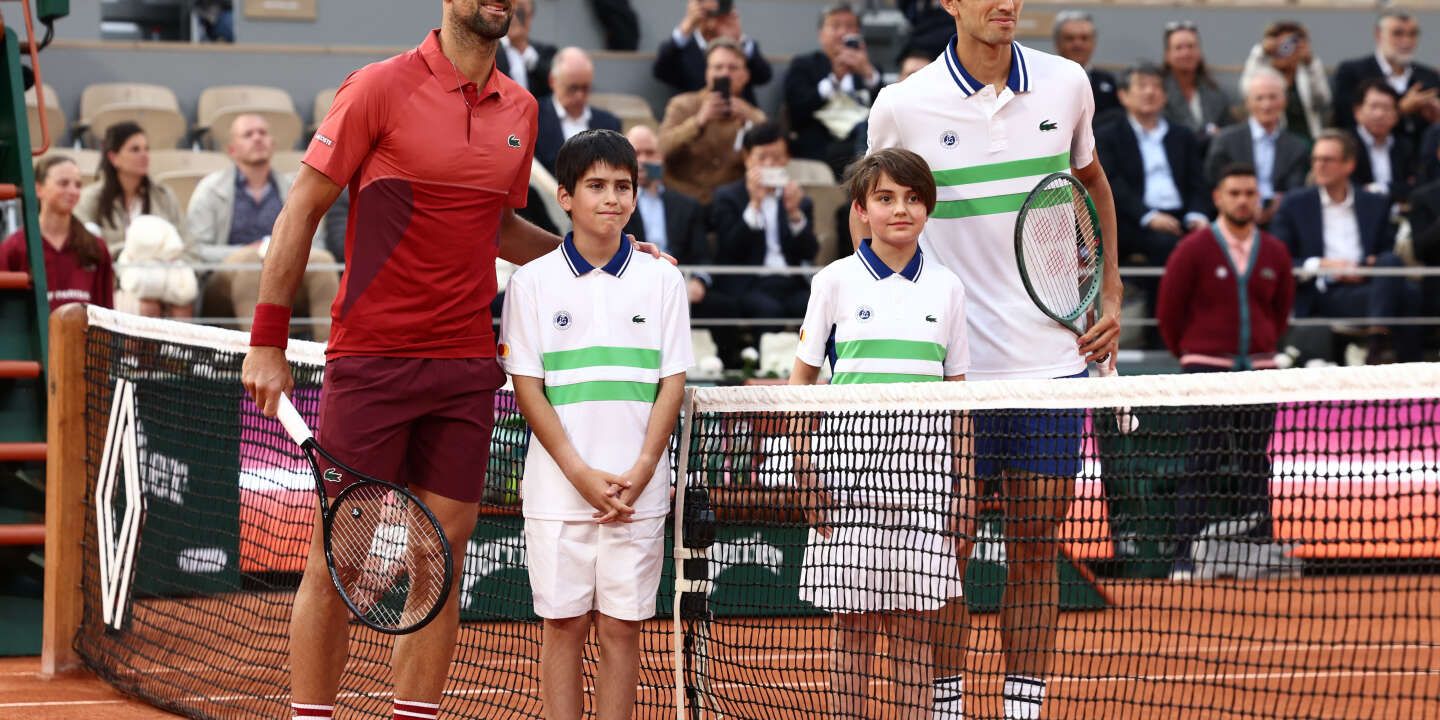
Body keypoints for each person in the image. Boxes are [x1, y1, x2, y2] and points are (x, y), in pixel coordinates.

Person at [238, 4, 576, 719]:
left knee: (439, 564)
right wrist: (266, 340)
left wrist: (595, 257)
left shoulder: (520, 106)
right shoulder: (376, 87)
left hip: (464, 369)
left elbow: (497, 225)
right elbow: (299, 210)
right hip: (373, 362)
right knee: (340, 562)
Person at [863, 1, 1122, 716]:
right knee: (947, 548)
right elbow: (870, 214)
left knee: (1037, 544)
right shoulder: (902, 105)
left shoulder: (1067, 84)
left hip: (1051, 364)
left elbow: (1091, 183)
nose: (1004, 3)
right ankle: (946, 704)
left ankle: (1023, 705)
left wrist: (1109, 292)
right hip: (950, 373)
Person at [499, 129, 690, 720]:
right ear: (564, 197)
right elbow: (527, 388)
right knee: (561, 625)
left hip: (640, 492)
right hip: (560, 493)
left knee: (622, 631)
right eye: (596, 186)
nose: (612, 199)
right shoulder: (530, 283)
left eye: (623, 187)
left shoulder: (663, 280)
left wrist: (640, 470)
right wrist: (580, 474)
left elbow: (672, 384)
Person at [792, 148, 972, 719]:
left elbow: (961, 402)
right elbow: (802, 384)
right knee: (853, 630)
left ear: (928, 209)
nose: (902, 209)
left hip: (925, 483)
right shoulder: (833, 282)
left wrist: (964, 489)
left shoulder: (949, 289)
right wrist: (804, 471)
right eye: (887, 198)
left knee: (918, 629)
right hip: (846, 479)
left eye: (914, 198)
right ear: (862, 210)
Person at [1155, 162, 1294, 581]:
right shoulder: (1192, 249)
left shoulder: (1274, 251)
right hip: (1206, 373)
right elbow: (1168, 313)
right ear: (1217, 197)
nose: (1243, 200)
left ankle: (1262, 550)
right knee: (1202, 463)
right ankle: (1184, 557)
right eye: (1234, 192)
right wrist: (1195, 356)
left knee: (1257, 464)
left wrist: (1263, 346)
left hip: (1260, 371)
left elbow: (1281, 309)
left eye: (1250, 193)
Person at [1270, 130, 1422, 364]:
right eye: (1315, 159)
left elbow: (1385, 249)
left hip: (1368, 282)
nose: (1319, 166)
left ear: (1349, 165)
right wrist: (1324, 265)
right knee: (1407, 295)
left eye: (1327, 160)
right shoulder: (1295, 204)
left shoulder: (1373, 203)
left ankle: (1376, 341)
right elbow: (1280, 258)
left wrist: (1365, 266)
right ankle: (1400, 362)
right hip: (1325, 290)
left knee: (1392, 266)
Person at [187, 113, 339, 340]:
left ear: (273, 144)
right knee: (248, 261)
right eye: (248, 134)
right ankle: (261, 355)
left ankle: (323, 360)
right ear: (232, 149)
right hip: (224, 286)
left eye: (263, 133)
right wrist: (252, 250)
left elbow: (315, 242)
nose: (257, 138)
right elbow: (196, 249)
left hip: (286, 278)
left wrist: (277, 253)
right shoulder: (210, 189)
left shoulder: (293, 187)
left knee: (323, 262)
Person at [623, 124, 739, 353]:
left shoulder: (687, 206)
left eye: (650, 153)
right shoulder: (618, 204)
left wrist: (698, 281)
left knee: (726, 306)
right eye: (637, 154)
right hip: (634, 286)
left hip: (680, 283)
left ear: (662, 159)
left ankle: (729, 370)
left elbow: (703, 256)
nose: (644, 160)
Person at [75, 121, 194, 318]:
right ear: (113, 157)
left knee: (183, 304)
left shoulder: (164, 196)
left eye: (146, 149)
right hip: (114, 282)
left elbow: (188, 244)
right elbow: (84, 245)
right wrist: (131, 254)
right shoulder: (90, 199)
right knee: (147, 307)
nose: (144, 155)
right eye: (135, 149)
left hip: (165, 279)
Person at [1096, 63, 1208, 270]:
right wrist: (1149, 216)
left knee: (1212, 240)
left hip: (1181, 216)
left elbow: (1197, 182)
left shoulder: (1182, 136)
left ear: (1165, 95)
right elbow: (1113, 184)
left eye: (1156, 86)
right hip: (1135, 219)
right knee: (1167, 245)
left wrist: (1197, 214)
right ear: (1123, 96)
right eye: (1141, 86)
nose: (1150, 92)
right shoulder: (1108, 136)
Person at [709, 122, 817, 324]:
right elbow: (729, 248)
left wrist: (794, 214)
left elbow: (809, 252)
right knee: (768, 311)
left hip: (789, 281)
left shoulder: (799, 199)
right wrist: (755, 204)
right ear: (747, 158)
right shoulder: (727, 196)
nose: (769, 164)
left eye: (776, 158)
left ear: (786, 159)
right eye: (762, 158)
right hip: (748, 281)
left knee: (814, 307)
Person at [658, 38, 767, 204]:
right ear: (707, 73)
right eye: (718, 67)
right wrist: (697, 122)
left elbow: (769, 162)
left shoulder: (755, 116)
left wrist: (750, 124)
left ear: (745, 76)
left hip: (730, 206)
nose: (725, 74)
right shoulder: (683, 105)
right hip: (685, 201)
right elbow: (661, 149)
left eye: (733, 68)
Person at [0, 155, 114, 311]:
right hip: (36, 335)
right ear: (38, 189)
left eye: (78, 185)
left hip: (82, 335)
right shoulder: (14, 247)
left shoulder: (96, 247)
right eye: (63, 183)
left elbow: (107, 312)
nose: (73, 191)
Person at [785, 3, 884, 176]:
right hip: (820, 146)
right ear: (821, 34)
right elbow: (797, 112)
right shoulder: (805, 65)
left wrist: (868, 73)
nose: (843, 32)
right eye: (835, 26)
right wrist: (834, 80)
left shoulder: (870, 68)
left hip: (865, 145)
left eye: (850, 26)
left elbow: (887, 107)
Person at [1205, 67, 1309, 227]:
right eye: (1259, 98)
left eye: (1273, 97)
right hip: (1233, 217)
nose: (1266, 105)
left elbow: (1295, 189)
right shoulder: (1226, 140)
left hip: (1280, 218)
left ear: (1284, 101)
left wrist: (1276, 205)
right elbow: (1213, 184)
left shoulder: (1297, 146)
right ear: (1247, 102)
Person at [1332, 8, 1440, 150]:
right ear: (1378, 35)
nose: (1406, 41)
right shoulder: (1353, 72)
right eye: (1397, 33)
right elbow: (1345, 121)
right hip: (1365, 159)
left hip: (1417, 163)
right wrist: (1400, 110)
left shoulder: (1429, 77)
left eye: (1413, 34)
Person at [654, 0, 773, 106]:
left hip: (740, 117)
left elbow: (763, 76)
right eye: (708, 12)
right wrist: (686, 27)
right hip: (695, 117)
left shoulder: (740, 45)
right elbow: (661, 71)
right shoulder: (682, 47)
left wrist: (738, 40)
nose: (715, 16)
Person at [535, 47, 622, 174]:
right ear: (552, 81)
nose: (579, 95)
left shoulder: (609, 124)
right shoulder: (534, 118)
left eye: (585, 88)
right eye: (573, 88)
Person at [1242, 20, 1330, 144]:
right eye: (1281, 46)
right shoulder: (1265, 76)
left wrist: (1310, 62)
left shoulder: (1307, 72)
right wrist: (1261, 51)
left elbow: (1322, 100)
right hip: (1275, 141)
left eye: (1290, 45)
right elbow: (1247, 90)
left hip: (1308, 138)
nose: (1285, 51)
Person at [1160, 21, 1233, 142]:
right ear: (1167, 55)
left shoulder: (1216, 94)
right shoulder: (1158, 93)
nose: (1186, 53)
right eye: (1178, 48)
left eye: (1191, 46)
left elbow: (1229, 134)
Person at [1349, 79, 1416, 204]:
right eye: (1374, 107)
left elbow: (1414, 186)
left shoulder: (1405, 146)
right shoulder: (1345, 144)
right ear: (1357, 112)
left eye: (1386, 108)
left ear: (1396, 115)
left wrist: (1381, 189)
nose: (1379, 114)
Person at [1052, 10, 1122, 127]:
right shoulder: (1042, 80)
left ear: (1093, 43)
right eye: (1070, 38)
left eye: (1084, 38)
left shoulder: (1109, 82)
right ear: (1057, 43)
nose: (1078, 44)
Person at [496, 0, 557, 97]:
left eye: (521, 11)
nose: (515, 17)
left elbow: (554, 85)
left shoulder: (546, 53)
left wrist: (525, 52)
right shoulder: (490, 52)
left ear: (530, 16)